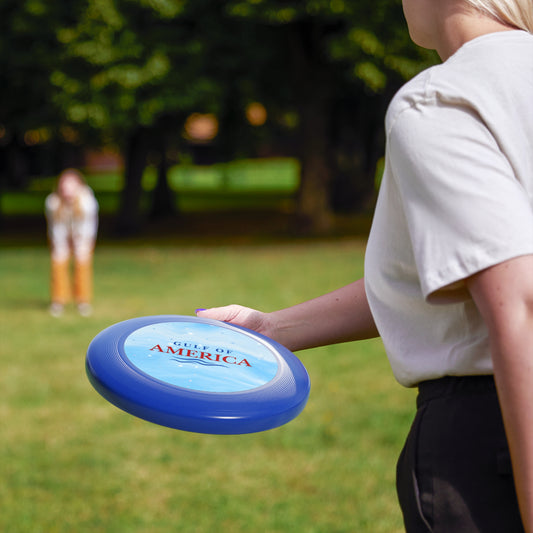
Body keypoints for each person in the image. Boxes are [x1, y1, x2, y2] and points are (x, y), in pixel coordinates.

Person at [196, 1, 533, 531]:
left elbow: (520, 303)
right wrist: (272, 328)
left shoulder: (444, 99)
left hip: (495, 439)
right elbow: (451, 272)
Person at [45, 168, 99, 317]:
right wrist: (62, 244)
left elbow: (88, 226)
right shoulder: (53, 202)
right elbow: (56, 227)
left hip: (83, 236)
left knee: (82, 263)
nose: (67, 190)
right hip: (60, 235)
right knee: (58, 262)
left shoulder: (87, 202)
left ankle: (83, 301)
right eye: (64, 186)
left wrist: (79, 242)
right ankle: (58, 301)